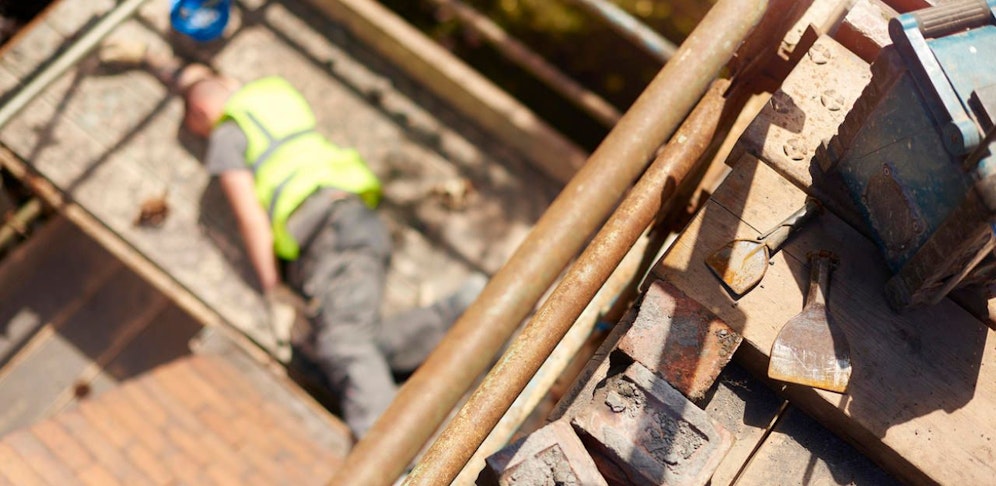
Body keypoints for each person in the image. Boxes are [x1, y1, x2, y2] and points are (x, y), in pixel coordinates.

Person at [101, 43, 485, 438]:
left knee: (343, 345)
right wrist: (151, 57)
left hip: (327, 233)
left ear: (199, 114)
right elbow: (201, 83)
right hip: (355, 221)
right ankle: (462, 311)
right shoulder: (271, 94)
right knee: (350, 345)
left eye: (192, 123)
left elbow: (250, 216)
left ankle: (394, 456)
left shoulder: (228, 134)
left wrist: (274, 291)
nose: (194, 131)